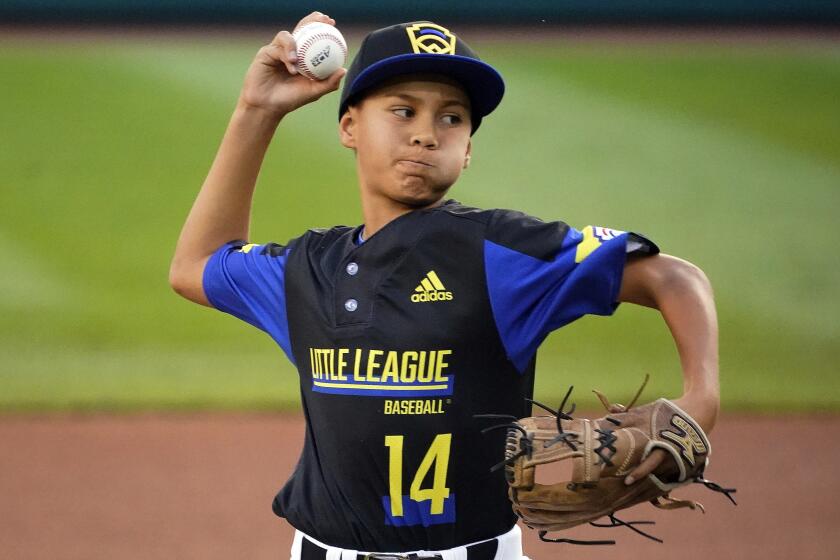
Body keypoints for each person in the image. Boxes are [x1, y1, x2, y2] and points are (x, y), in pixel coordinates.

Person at [169, 12, 720, 560]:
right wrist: (256, 111)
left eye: (452, 118)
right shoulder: (310, 269)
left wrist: (702, 396)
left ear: (469, 149)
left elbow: (674, 277)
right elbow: (195, 267)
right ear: (349, 127)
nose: (426, 133)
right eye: (403, 110)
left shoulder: (500, 253)